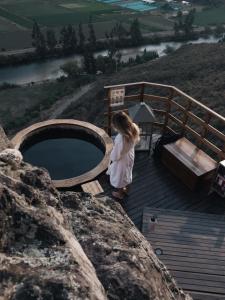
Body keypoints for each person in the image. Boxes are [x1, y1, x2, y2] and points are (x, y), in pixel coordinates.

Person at [106, 111, 140, 200]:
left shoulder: (120, 139)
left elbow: (115, 156)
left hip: (122, 160)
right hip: (130, 155)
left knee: (120, 176)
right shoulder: (133, 127)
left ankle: (120, 193)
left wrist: (110, 154)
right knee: (127, 172)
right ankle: (127, 190)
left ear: (118, 126)